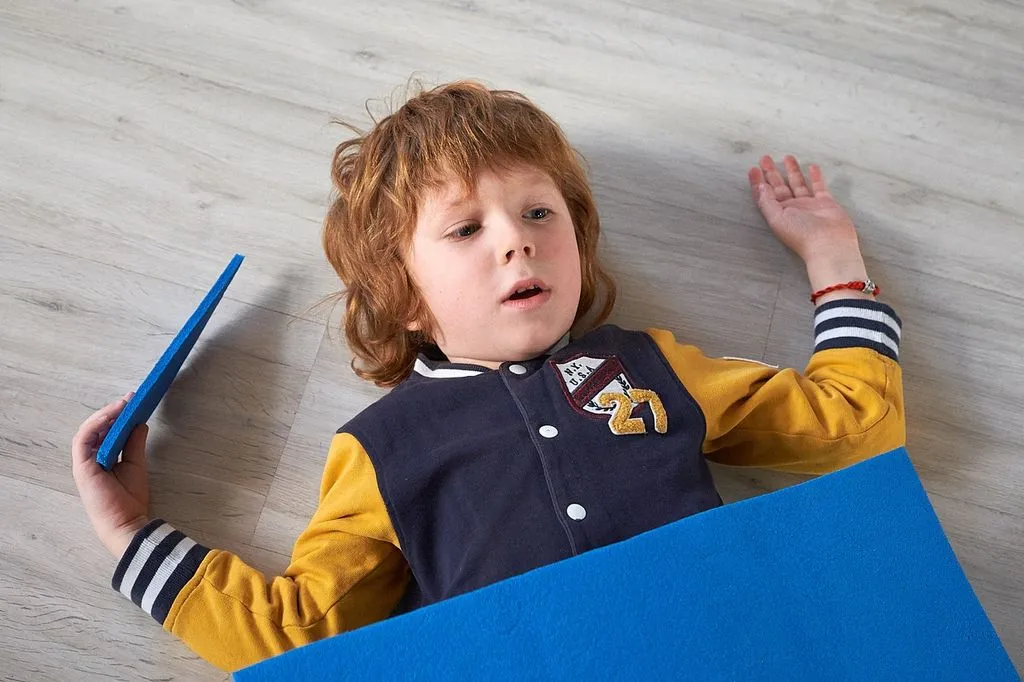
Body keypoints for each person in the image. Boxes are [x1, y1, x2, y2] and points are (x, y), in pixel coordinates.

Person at [71, 80, 905, 672]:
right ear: (404, 297)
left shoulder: (648, 364)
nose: (517, 239)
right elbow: (297, 635)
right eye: (465, 229)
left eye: (539, 212)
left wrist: (834, 259)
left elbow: (852, 425)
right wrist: (129, 532)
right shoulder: (382, 449)